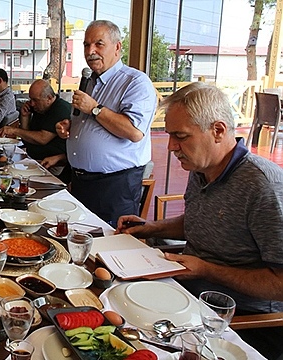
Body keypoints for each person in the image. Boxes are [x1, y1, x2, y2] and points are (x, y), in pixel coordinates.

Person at [117, 82, 283, 359]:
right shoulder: (201, 166)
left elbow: (280, 284)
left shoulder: (263, 185)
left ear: (217, 131)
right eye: (170, 135)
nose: (171, 146)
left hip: (238, 322)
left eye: (180, 136)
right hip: (187, 295)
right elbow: (205, 221)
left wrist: (207, 270)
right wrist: (150, 228)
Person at [55, 20, 156, 224]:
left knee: (106, 249)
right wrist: (69, 127)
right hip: (81, 181)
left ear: (117, 47)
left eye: (99, 44)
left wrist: (94, 108)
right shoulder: (90, 81)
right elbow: (91, 122)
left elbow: (134, 131)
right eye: (86, 45)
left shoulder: (136, 82)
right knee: (78, 243)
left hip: (114, 186)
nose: (90, 51)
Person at [0, 79, 71, 182]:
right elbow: (28, 138)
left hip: (51, 165)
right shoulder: (40, 108)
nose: (31, 104)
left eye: (35, 100)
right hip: (32, 160)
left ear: (49, 98)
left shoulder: (60, 109)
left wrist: (14, 131)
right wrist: (25, 117)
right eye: (30, 99)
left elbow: (42, 138)